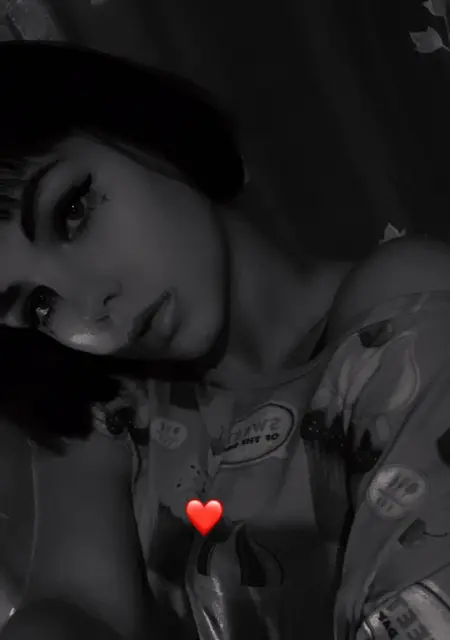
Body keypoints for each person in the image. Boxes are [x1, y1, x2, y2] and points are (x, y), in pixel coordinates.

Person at [0, 40, 450, 640]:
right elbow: (74, 605)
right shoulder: (112, 416)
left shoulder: (404, 302)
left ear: (135, 131)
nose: (90, 302)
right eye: (38, 304)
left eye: (73, 211)